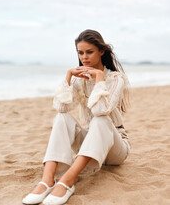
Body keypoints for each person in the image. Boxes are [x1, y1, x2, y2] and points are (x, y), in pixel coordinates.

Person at [22, 29, 131, 205]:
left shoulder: (116, 79)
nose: (84, 57)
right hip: (90, 142)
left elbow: (100, 111)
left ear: (101, 51)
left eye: (89, 52)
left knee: (101, 119)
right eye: (80, 52)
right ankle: (47, 181)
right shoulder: (79, 79)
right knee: (61, 118)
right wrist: (68, 77)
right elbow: (61, 107)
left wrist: (99, 78)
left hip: (115, 147)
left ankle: (67, 181)